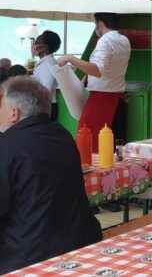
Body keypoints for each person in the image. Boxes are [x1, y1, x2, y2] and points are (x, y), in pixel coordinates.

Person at [0, 77, 102, 274]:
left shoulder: (6, 144)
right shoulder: (62, 135)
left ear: (14, 113)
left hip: (28, 255)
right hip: (80, 240)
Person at [57, 12, 130, 147]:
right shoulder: (124, 40)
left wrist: (70, 58)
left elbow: (97, 70)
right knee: (105, 142)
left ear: (100, 23)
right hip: (116, 96)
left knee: (87, 139)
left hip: (100, 97)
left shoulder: (105, 40)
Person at [32, 30, 62, 118]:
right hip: (45, 106)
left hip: (45, 108)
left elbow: (46, 90)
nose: (34, 46)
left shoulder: (48, 64)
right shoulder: (46, 62)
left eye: (37, 42)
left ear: (44, 47)